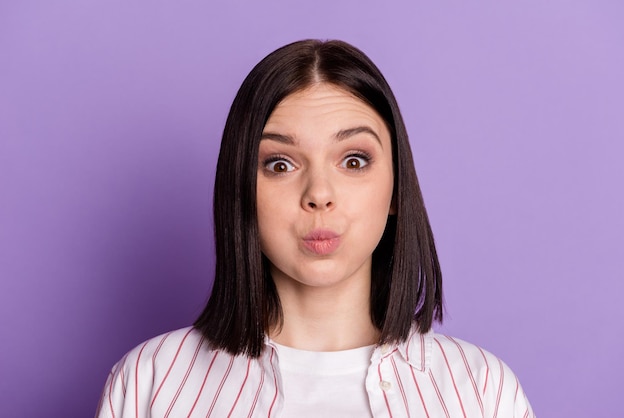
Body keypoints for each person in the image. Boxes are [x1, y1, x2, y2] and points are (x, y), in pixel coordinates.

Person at [96, 39, 534, 417]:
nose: (319, 194)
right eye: (280, 164)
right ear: (242, 189)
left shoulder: (482, 392)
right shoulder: (150, 383)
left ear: (398, 189)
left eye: (354, 160)